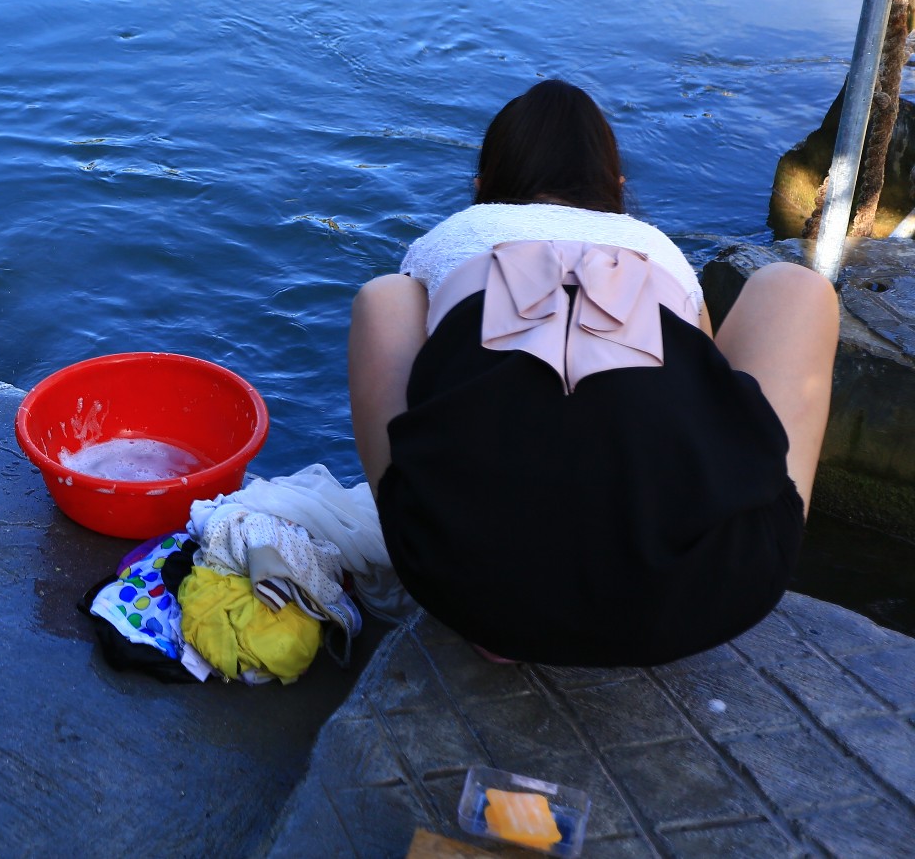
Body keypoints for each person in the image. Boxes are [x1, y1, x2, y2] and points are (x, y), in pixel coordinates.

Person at [347, 80, 837, 667]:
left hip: (472, 593)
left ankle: (466, 567)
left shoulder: (454, 238)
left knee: (384, 298)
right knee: (797, 287)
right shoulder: (656, 248)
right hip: (706, 599)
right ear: (618, 192)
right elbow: (712, 408)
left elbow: (431, 383)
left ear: (482, 192)